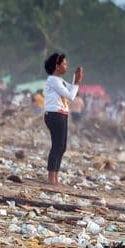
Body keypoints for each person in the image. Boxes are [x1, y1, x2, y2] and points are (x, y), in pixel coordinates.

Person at [42, 51, 83, 186]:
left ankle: (55, 176)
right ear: (57, 66)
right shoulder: (53, 80)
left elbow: (71, 89)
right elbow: (71, 96)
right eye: (64, 64)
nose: (66, 66)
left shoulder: (60, 81)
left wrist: (76, 80)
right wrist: (76, 83)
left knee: (62, 146)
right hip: (54, 114)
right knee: (57, 145)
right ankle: (51, 177)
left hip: (62, 114)